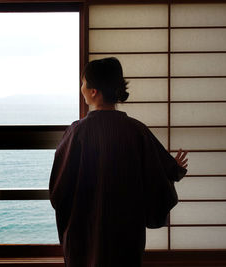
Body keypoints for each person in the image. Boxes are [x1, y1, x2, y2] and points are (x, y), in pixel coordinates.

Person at [49, 57, 188, 267]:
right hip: (127, 229)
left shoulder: (77, 132)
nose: (82, 88)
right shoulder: (136, 130)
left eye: (83, 83)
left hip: (87, 229)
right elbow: (157, 173)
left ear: (93, 91)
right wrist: (173, 170)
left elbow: (60, 187)